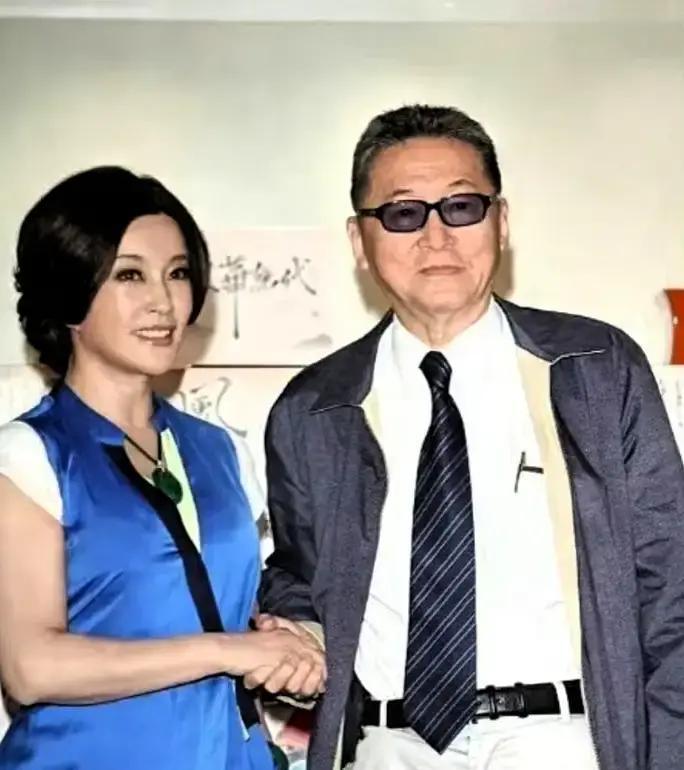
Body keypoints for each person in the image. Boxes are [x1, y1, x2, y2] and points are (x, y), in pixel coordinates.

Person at [258, 105, 684, 770]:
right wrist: (298, 632)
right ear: (359, 240)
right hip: (388, 746)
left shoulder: (596, 370)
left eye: (461, 207)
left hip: (563, 741)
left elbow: (671, 590)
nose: (436, 237)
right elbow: (298, 572)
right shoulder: (314, 408)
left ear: (501, 222)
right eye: (403, 213)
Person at [0, 166, 325, 770]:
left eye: (177, 273)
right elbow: (30, 667)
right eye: (130, 275)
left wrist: (287, 652)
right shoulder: (29, 455)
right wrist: (227, 650)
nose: (163, 301)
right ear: (69, 293)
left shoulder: (221, 451)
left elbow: (226, 610)